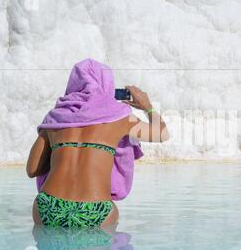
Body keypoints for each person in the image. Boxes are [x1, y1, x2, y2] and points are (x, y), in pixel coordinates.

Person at [26, 63, 170, 228]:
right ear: (107, 86)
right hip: (97, 211)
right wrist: (147, 107)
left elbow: (32, 170)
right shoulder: (119, 117)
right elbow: (162, 133)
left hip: (48, 206)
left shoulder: (56, 118)